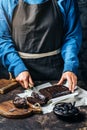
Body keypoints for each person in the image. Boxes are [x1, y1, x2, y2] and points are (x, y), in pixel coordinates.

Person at [0, 0, 82, 92]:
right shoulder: (7, 2)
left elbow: (72, 36)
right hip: (20, 76)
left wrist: (70, 67)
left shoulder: (66, 1)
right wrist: (17, 67)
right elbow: (3, 39)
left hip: (58, 75)